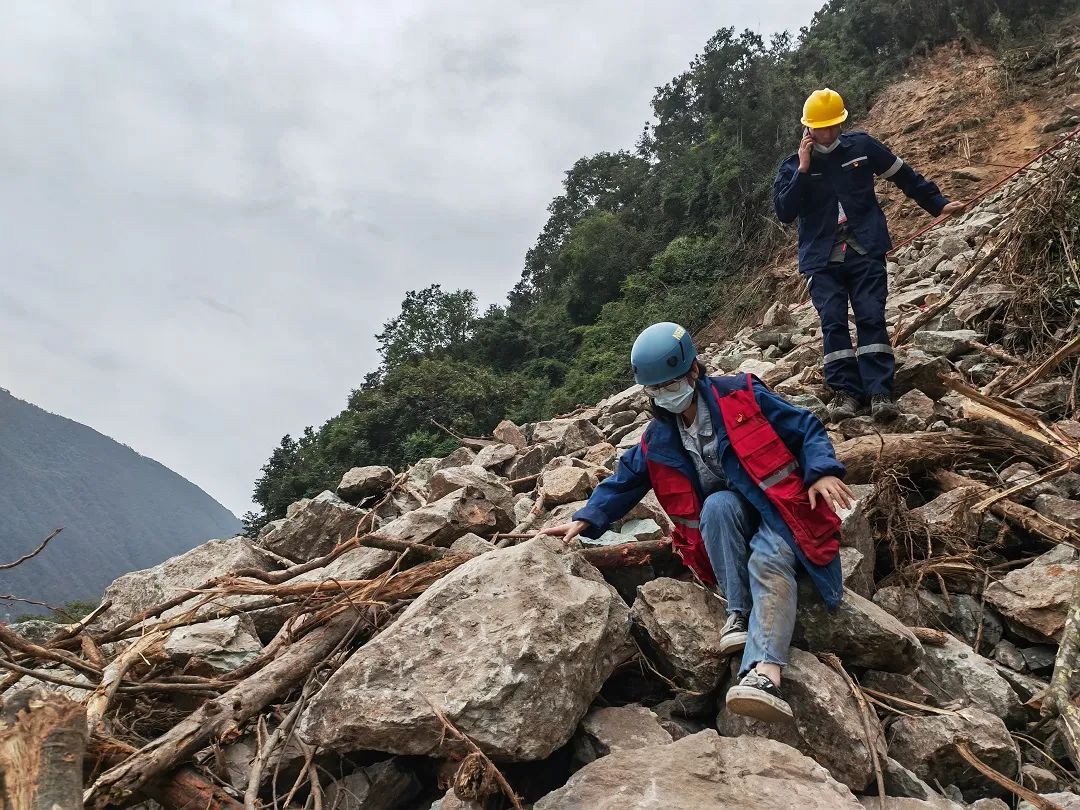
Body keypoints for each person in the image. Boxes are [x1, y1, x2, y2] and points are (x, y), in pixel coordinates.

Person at [542, 322, 854, 722]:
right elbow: (626, 478)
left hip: (782, 510)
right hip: (734, 515)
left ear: (693, 370)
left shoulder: (741, 395)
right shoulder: (660, 437)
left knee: (768, 560)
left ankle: (765, 674)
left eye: (672, 383)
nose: (666, 394)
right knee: (717, 506)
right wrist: (585, 519)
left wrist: (823, 470)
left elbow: (805, 425)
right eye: (656, 390)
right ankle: (737, 612)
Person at [773, 88, 965, 423]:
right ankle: (846, 393)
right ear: (808, 129)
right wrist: (804, 169)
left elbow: (904, 175)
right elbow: (785, 212)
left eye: (833, 126)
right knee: (833, 322)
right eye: (821, 128)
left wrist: (938, 204)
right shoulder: (792, 167)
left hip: (866, 248)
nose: (828, 134)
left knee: (871, 315)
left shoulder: (862, 148)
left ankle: (879, 393)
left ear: (841, 123)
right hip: (822, 259)